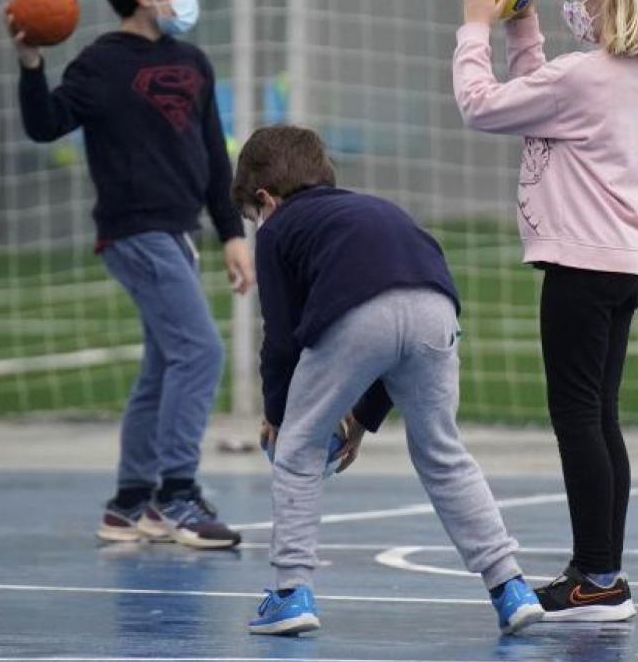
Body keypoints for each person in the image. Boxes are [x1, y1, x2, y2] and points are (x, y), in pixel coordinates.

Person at [452, 0, 638, 621]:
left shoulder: (587, 76)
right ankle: (601, 569)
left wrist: (477, 26)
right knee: (599, 417)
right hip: (621, 264)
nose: (565, 0)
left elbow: (483, 105)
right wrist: (523, 31)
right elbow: (542, 100)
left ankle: (597, 577)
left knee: (577, 420)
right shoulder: (629, 76)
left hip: (582, 267)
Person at [231, 125, 543, 636]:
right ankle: (510, 586)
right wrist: (361, 419)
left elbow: (284, 336)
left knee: (298, 449)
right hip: (436, 307)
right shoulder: (370, 207)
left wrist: (275, 412)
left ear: (265, 198)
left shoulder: (279, 228)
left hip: (361, 314)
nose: (257, 222)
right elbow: (395, 322)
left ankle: (290, 593)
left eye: (253, 214)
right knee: (443, 453)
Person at [7, 0, 252, 549]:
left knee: (163, 366)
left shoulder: (193, 62)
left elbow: (212, 156)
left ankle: (129, 503)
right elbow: (45, 125)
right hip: (132, 233)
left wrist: (231, 232)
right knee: (200, 353)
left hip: (178, 234)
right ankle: (175, 497)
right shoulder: (99, 65)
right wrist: (32, 64)